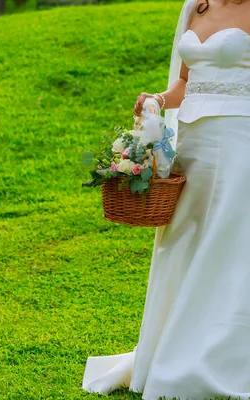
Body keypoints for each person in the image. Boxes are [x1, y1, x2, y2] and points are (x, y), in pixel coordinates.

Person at [81, 0, 250, 399]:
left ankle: (221, 357)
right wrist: (156, 99)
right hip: (195, 144)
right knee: (183, 242)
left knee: (231, 246)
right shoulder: (197, 6)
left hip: (241, 140)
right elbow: (185, 85)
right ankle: (170, 346)